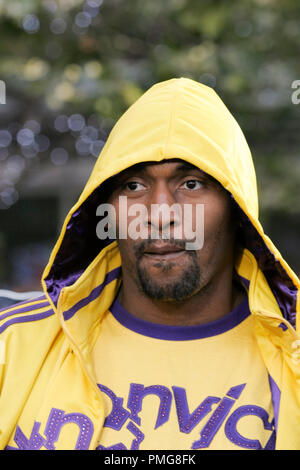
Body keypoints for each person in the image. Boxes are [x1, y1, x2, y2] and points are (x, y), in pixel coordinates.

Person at [0, 78, 299, 451]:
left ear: (237, 210)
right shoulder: (12, 347)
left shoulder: (293, 355)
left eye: (191, 184)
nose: (159, 214)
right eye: (133, 186)